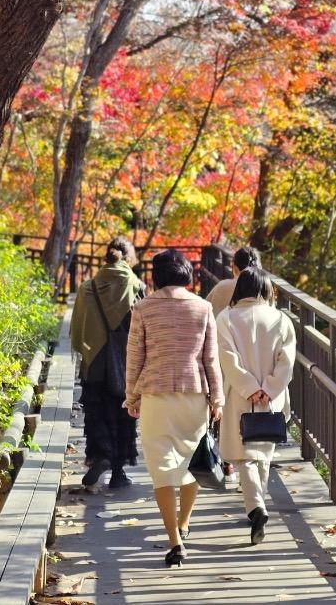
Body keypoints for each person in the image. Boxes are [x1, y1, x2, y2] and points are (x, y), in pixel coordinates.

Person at [125, 248, 224, 567]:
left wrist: (131, 395)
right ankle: (184, 521)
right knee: (191, 458)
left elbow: (134, 356)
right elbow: (211, 358)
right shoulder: (203, 307)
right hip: (194, 394)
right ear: (186, 274)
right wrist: (217, 398)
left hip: (155, 394)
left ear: (156, 275)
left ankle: (175, 539)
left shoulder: (143, 308)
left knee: (162, 466)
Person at [216, 266, 296, 545]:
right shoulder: (281, 319)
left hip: (239, 396)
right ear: (266, 290)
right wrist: (269, 388)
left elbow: (226, 358)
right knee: (263, 453)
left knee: (244, 456)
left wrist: (250, 388)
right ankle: (257, 504)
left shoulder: (226, 318)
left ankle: (256, 508)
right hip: (272, 399)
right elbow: (287, 361)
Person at [70, 236, 145, 489]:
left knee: (97, 413)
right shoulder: (136, 286)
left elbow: (78, 331)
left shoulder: (87, 288)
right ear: (129, 258)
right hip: (127, 363)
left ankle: (100, 455)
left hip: (95, 362)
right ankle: (118, 473)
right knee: (124, 416)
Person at [205, 245, 261, 317]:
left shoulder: (222, 286)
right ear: (259, 268)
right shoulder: (264, 289)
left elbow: (206, 309)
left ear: (235, 267)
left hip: (221, 327)